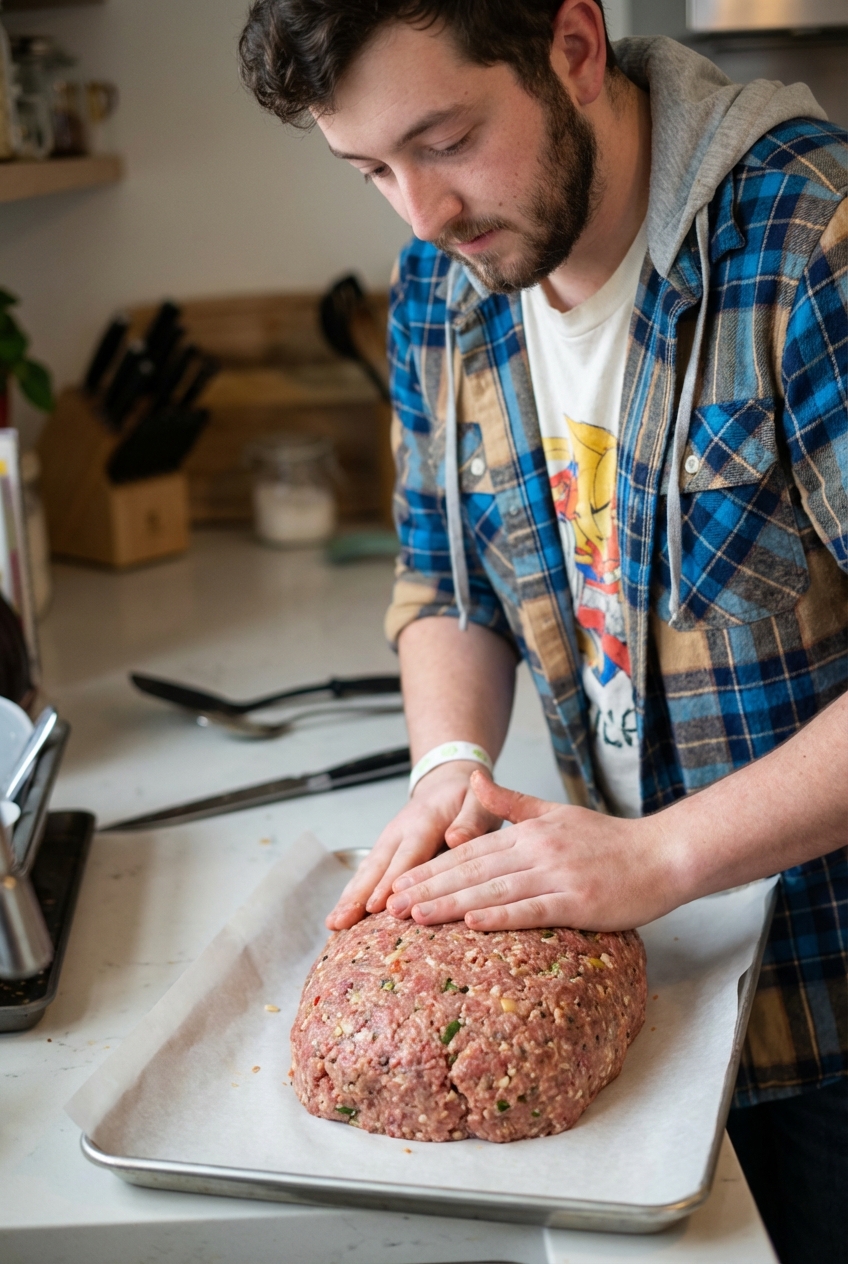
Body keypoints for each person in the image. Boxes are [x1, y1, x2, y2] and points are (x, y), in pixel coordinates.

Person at [238, 3, 847, 1260]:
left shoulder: (809, 243)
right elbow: (446, 578)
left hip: (825, 1000)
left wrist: (659, 857)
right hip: (649, 992)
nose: (419, 213)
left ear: (572, 49)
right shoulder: (448, 281)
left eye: (445, 138)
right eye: (369, 171)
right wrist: (447, 764)